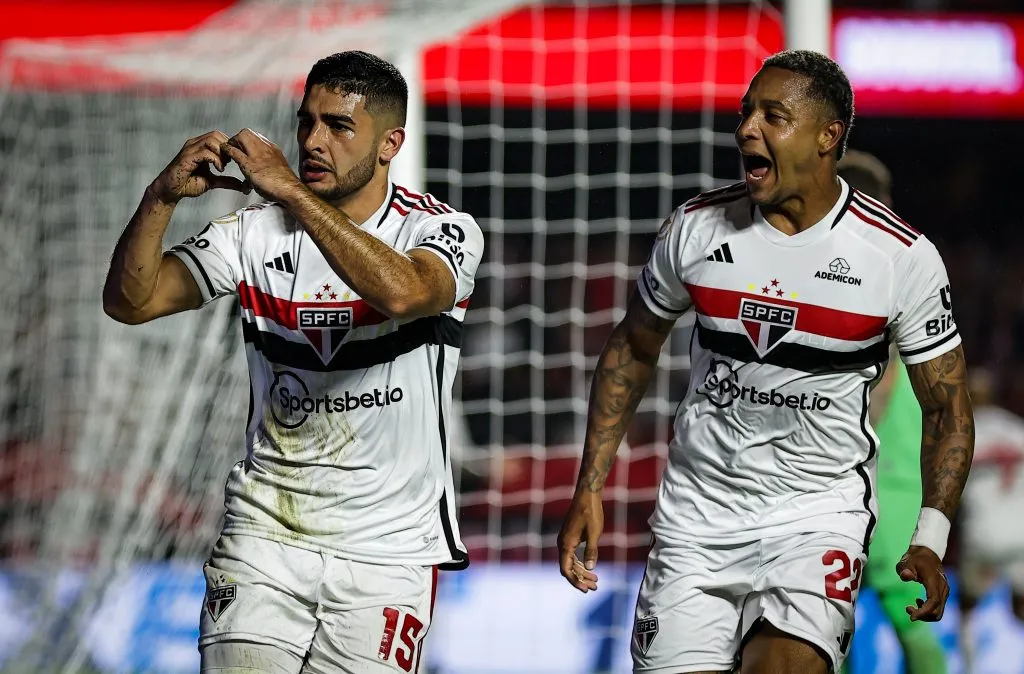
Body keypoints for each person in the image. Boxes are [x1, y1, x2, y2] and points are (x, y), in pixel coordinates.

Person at [557, 50, 974, 674]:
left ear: (828, 136)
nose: (747, 128)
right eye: (746, 112)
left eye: (772, 115)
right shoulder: (696, 230)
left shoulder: (898, 257)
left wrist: (931, 538)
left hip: (816, 516)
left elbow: (947, 408)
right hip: (697, 516)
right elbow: (633, 346)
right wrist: (590, 484)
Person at [103, 51, 483, 673]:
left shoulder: (441, 229)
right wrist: (161, 195)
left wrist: (287, 190)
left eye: (338, 127)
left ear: (391, 144)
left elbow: (405, 294)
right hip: (265, 535)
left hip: (388, 553)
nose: (311, 141)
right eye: (305, 122)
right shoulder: (252, 234)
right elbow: (129, 301)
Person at [837, 150, 947, 673]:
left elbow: (872, 399)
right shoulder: (909, 274)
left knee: (835, 623)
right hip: (901, 486)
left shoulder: (872, 280)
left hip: (871, 487)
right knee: (907, 632)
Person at [956, 369, 1024, 672]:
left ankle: (970, 667)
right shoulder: (1017, 429)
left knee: (968, 606)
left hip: (982, 534)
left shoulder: (961, 434)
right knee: (1021, 607)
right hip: (1020, 534)